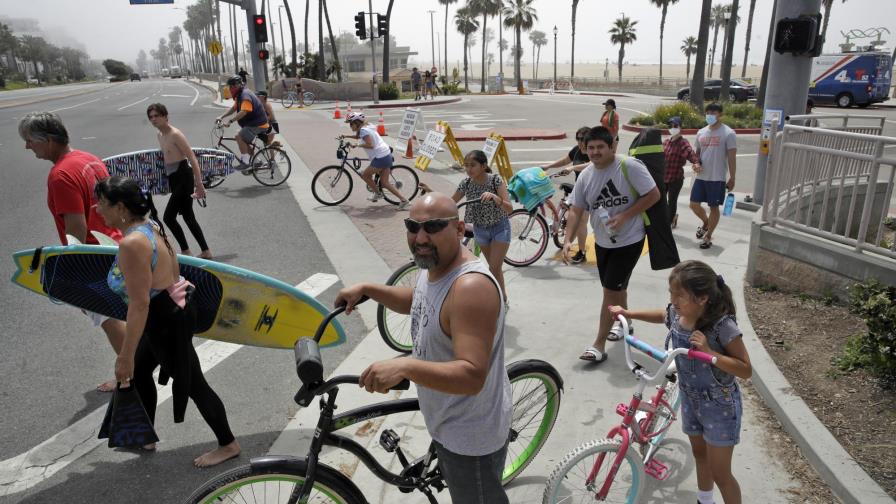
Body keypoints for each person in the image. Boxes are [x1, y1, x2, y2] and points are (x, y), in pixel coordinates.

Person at [335, 192, 511, 504]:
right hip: (445, 418)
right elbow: (421, 302)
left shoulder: (470, 287)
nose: (420, 237)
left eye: (432, 227)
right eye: (412, 226)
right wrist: (369, 289)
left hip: (468, 437)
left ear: (459, 230)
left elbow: (471, 376)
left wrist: (405, 366)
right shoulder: (434, 266)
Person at [94, 176, 241, 467]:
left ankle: (228, 444)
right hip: (172, 308)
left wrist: (123, 355)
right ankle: (145, 434)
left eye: (102, 204)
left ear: (120, 207)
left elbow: (140, 304)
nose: (97, 209)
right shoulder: (150, 225)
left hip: (165, 319)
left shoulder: (132, 244)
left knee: (194, 383)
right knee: (141, 370)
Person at [609, 260, 752, 504]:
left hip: (720, 407)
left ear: (702, 298)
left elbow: (745, 369)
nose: (674, 301)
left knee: (721, 472)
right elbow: (662, 315)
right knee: (699, 454)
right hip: (690, 398)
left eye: (680, 296)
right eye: (671, 294)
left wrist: (710, 352)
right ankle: (704, 500)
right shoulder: (678, 314)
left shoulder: (722, 326)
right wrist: (629, 313)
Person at [18, 111, 126, 392]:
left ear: (49, 140)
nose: (28, 147)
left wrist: (71, 272)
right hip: (112, 244)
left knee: (105, 316)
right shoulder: (89, 159)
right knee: (119, 311)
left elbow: (76, 227)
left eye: (30, 141)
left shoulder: (60, 175)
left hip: (91, 255)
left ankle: (129, 374)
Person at [561, 126, 660, 364]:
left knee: (609, 292)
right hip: (603, 241)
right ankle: (626, 321)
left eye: (600, 147)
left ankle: (598, 344)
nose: (595, 152)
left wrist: (626, 215)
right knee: (616, 287)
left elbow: (653, 194)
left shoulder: (629, 166)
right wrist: (567, 240)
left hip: (630, 239)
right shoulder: (586, 176)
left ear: (612, 146)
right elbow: (576, 210)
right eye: (590, 147)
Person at [146, 103, 212, 259]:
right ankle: (206, 251)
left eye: (157, 116)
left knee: (169, 217)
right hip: (174, 178)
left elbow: (192, 158)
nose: (154, 119)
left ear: (165, 116)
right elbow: (166, 161)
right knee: (189, 216)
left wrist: (199, 184)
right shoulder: (159, 135)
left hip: (184, 176)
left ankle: (186, 251)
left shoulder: (175, 134)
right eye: (151, 117)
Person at [452, 150, 513, 307]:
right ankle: (502, 298)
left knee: (494, 267)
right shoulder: (466, 183)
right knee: (495, 268)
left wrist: (495, 198)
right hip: (481, 230)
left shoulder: (495, 181)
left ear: (484, 166)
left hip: (500, 227)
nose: (469, 169)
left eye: (473, 165)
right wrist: (431, 192)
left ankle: (499, 300)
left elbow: (509, 208)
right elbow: (451, 202)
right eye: (466, 166)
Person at [541, 125, 593, 264]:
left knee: (581, 221)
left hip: (592, 190)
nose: (580, 142)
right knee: (575, 219)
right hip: (580, 189)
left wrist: (573, 167)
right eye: (578, 139)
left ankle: (581, 252)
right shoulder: (577, 150)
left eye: (583, 139)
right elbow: (565, 160)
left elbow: (592, 164)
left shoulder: (592, 150)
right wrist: (548, 166)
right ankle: (574, 247)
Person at [690, 102, 736, 250]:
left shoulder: (728, 133)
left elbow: (731, 157)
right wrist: (695, 164)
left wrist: (732, 177)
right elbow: (697, 154)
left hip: (717, 178)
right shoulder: (701, 132)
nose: (710, 115)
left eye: (714, 113)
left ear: (720, 114)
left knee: (714, 207)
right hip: (701, 176)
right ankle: (705, 222)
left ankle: (708, 236)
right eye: (708, 112)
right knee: (693, 204)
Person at [343, 112, 411, 210]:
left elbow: (371, 145)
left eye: (351, 123)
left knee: (365, 175)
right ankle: (404, 200)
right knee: (384, 182)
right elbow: (359, 136)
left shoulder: (363, 131)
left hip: (381, 157)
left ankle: (378, 193)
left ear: (357, 123)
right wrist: (346, 136)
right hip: (385, 154)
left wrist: (356, 145)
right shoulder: (367, 127)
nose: (350, 126)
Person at [215, 75, 269, 174]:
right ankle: (256, 162)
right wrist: (221, 116)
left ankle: (245, 162)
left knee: (239, 137)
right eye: (230, 87)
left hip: (258, 124)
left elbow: (244, 111)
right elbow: (234, 108)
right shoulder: (240, 95)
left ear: (238, 85)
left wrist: (230, 121)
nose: (230, 89)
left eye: (232, 86)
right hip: (254, 123)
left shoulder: (245, 95)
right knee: (243, 140)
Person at [663, 116, 700, 229]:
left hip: (675, 178)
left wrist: (696, 162)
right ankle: (670, 217)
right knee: (660, 200)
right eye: (670, 126)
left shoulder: (683, 143)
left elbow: (690, 153)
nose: (672, 128)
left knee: (671, 201)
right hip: (664, 177)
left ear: (680, 127)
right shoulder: (666, 142)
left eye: (675, 126)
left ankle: (668, 224)